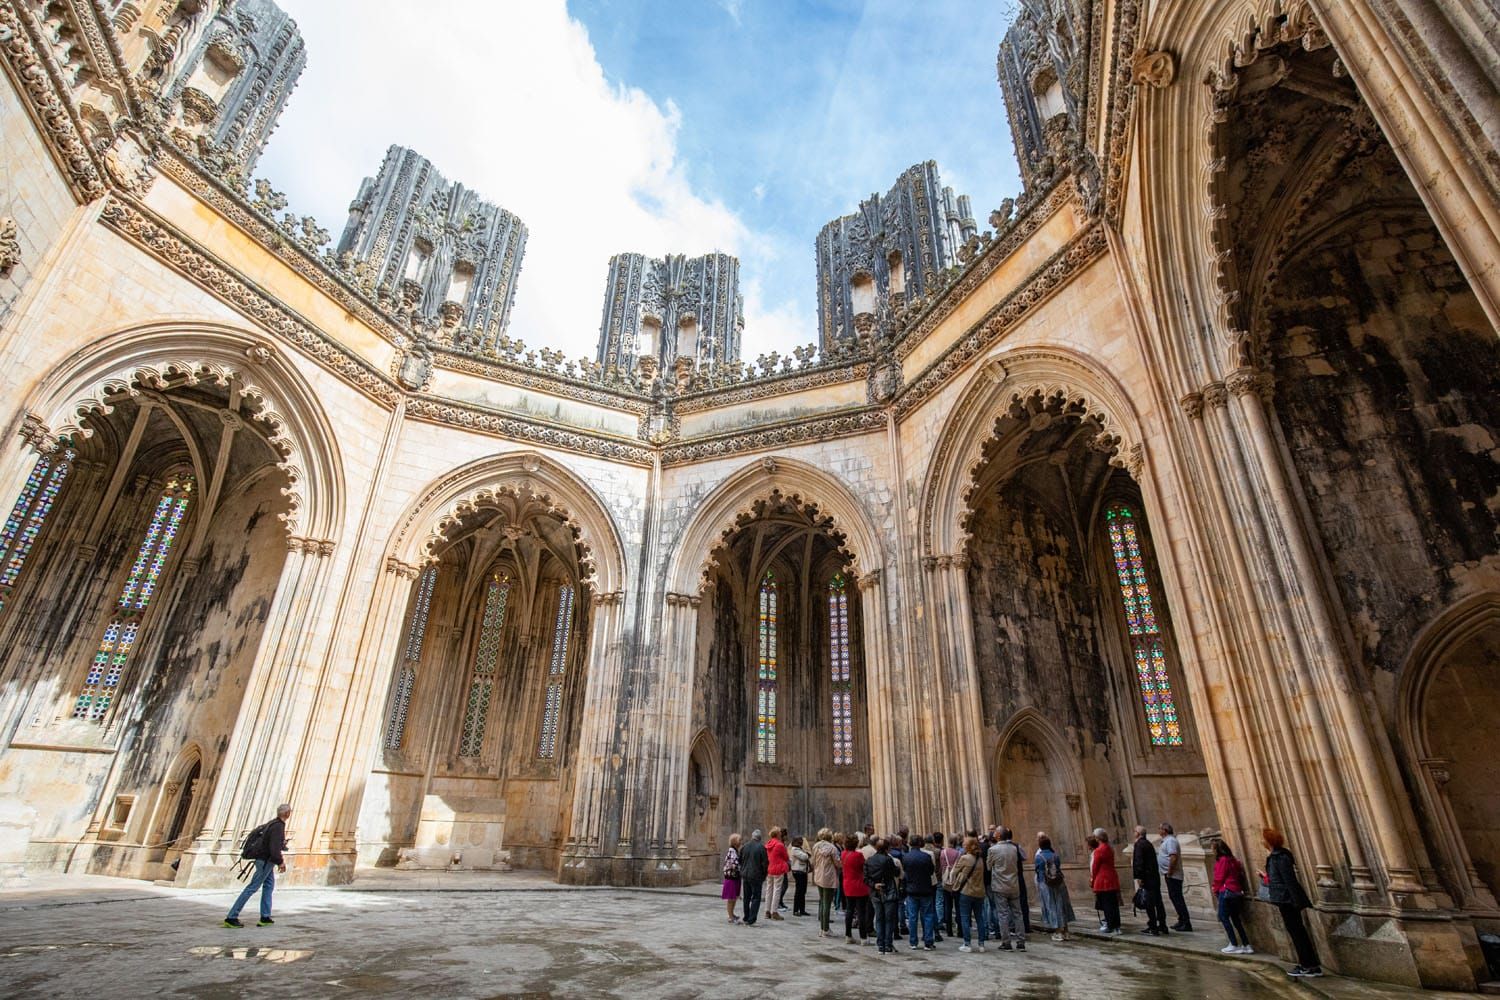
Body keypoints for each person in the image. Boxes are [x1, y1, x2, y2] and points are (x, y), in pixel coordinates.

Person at [1260, 828, 1322, 978]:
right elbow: (1280, 879)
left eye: (1264, 839)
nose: (1262, 842)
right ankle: (1309, 964)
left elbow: (1289, 881)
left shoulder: (1279, 858)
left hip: (1287, 900)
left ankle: (1308, 966)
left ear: (1269, 841)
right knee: (1297, 932)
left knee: (1297, 933)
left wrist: (1296, 901)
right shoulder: (1277, 857)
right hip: (1285, 899)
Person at [224, 803, 290, 928]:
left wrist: (281, 844)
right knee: (252, 887)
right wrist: (280, 861)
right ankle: (231, 917)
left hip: (265, 860)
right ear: (287, 813)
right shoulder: (278, 826)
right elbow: (273, 848)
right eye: (289, 812)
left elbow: (270, 843)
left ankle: (265, 916)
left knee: (269, 886)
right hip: (266, 860)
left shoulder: (272, 823)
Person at [986, 826, 1026, 951]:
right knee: (1018, 914)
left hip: (999, 885)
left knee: (1003, 914)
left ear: (998, 836)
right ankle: (1021, 942)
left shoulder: (993, 850)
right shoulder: (1014, 848)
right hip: (1013, 884)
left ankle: (1006, 942)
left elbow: (988, 866)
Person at [1211, 838, 1252, 955]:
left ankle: (1233, 944)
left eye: (1213, 848)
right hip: (1236, 891)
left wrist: (1215, 888)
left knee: (1223, 916)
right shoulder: (1232, 860)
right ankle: (1246, 944)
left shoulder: (1222, 861)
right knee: (1235, 918)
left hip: (1226, 891)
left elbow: (1219, 877)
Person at [949, 835, 988, 953]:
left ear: (968, 846)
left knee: (965, 918)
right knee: (979, 918)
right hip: (979, 892)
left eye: (964, 844)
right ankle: (981, 944)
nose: (963, 846)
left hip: (966, 891)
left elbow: (954, 872)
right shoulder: (980, 859)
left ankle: (967, 944)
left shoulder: (965, 858)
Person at [1034, 833, 1076, 942]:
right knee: (1061, 905)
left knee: (1051, 906)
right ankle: (1066, 931)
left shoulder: (1039, 857)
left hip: (1046, 883)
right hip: (1058, 882)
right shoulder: (1055, 855)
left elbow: (1038, 871)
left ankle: (1058, 932)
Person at [865, 837, 901, 955]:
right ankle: (887, 944)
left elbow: (865, 878)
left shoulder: (869, 860)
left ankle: (880, 945)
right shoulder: (888, 860)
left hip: (875, 892)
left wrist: (874, 884)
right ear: (887, 848)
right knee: (889, 919)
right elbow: (895, 872)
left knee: (879, 918)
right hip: (888, 890)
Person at [901, 835, 938, 950]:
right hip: (925, 889)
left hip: (912, 890)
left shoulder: (906, 857)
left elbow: (905, 871)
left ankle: (913, 942)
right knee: (927, 916)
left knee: (912, 917)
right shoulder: (926, 857)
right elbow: (931, 871)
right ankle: (928, 942)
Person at [1132, 825, 1168, 935]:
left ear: (1138, 833)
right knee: (1158, 902)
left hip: (1147, 878)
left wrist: (1140, 877)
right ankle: (1162, 925)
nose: (1133, 833)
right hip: (1154, 877)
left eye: (1134, 831)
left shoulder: (1139, 844)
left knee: (1149, 903)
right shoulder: (1148, 843)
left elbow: (1139, 862)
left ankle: (1153, 927)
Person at [1160, 823, 1192, 931]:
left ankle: (1186, 923)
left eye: (1160, 829)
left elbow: (1173, 857)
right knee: (1174, 898)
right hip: (1170, 874)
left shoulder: (1171, 841)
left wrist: (1169, 871)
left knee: (1178, 899)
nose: (1159, 831)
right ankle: (1181, 920)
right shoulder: (1167, 841)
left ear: (1165, 830)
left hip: (1173, 875)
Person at [842, 833, 873, 945]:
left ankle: (848, 935)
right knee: (861, 912)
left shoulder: (843, 854)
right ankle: (863, 937)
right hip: (859, 885)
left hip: (847, 884)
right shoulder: (858, 855)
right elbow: (864, 868)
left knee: (849, 911)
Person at [1091, 828, 1122, 934]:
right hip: (1112, 878)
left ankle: (1110, 925)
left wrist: (1092, 880)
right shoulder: (1109, 848)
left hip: (1103, 880)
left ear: (1097, 838)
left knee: (1107, 904)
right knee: (1113, 903)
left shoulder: (1099, 850)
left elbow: (1095, 867)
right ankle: (1117, 925)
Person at [812, 829, 840, 936]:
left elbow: (813, 860)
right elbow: (837, 863)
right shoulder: (832, 848)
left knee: (823, 901)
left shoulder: (816, 846)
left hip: (819, 875)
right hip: (829, 876)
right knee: (827, 903)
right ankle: (826, 929)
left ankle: (822, 928)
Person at [740, 829, 769, 926]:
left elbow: (740, 860)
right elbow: (765, 863)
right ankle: (751, 918)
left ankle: (746, 916)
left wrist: (743, 870)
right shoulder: (761, 847)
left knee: (746, 897)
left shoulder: (744, 846)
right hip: (756, 875)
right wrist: (764, 875)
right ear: (760, 838)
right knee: (756, 897)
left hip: (745, 875)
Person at [939, 834, 962, 939]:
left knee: (948, 906)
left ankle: (949, 930)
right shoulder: (958, 853)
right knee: (958, 906)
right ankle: (960, 930)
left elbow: (941, 866)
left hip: (946, 881)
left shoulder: (942, 853)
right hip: (956, 881)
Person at [765, 827, 789, 920]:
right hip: (778, 868)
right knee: (777, 890)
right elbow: (786, 857)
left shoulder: (768, 844)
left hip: (770, 868)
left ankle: (767, 911)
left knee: (769, 890)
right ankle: (774, 911)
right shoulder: (779, 844)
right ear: (777, 834)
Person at [722, 833, 744, 924]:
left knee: (734, 897)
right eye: (739, 841)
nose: (741, 842)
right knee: (731, 899)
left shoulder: (735, 851)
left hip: (735, 877)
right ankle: (730, 916)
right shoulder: (732, 851)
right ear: (735, 842)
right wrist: (741, 867)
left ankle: (732, 914)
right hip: (731, 877)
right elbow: (733, 864)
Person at [789, 835, 811, 917]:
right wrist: (807, 854)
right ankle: (795, 910)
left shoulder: (800, 849)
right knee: (799, 891)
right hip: (798, 872)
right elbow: (805, 857)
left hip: (802, 871)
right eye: (800, 841)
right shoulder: (795, 849)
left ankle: (802, 909)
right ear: (796, 842)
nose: (802, 842)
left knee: (803, 891)